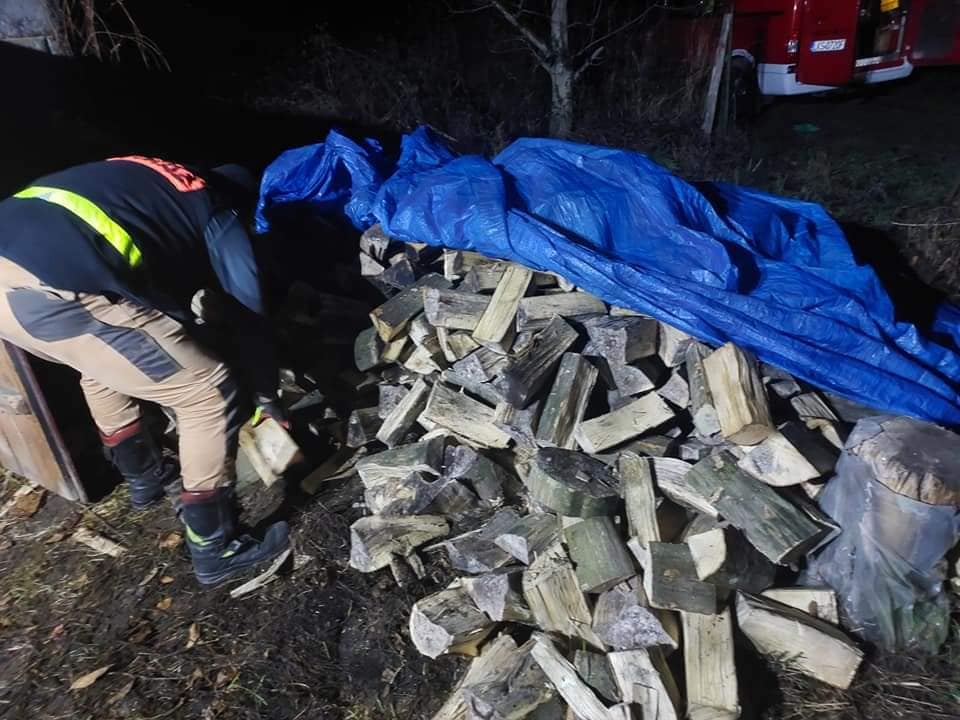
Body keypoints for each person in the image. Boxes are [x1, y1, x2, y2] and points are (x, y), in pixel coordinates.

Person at [0, 155, 290, 585]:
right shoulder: (218, 211)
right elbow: (250, 306)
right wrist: (267, 396)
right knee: (207, 391)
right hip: (48, 288)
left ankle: (145, 479)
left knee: (106, 361)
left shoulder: (154, 180)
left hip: (15, 284)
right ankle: (215, 547)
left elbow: (144, 286)